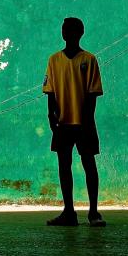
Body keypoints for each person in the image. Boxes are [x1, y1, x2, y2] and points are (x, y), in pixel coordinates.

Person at [43, 17, 106, 227]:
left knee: (89, 164)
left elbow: (92, 94)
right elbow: (50, 91)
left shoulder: (89, 60)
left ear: (79, 33)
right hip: (62, 122)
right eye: (64, 30)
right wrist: (51, 116)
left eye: (70, 30)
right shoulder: (53, 60)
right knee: (64, 165)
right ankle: (69, 212)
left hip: (84, 123)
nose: (66, 33)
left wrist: (86, 121)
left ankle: (93, 212)